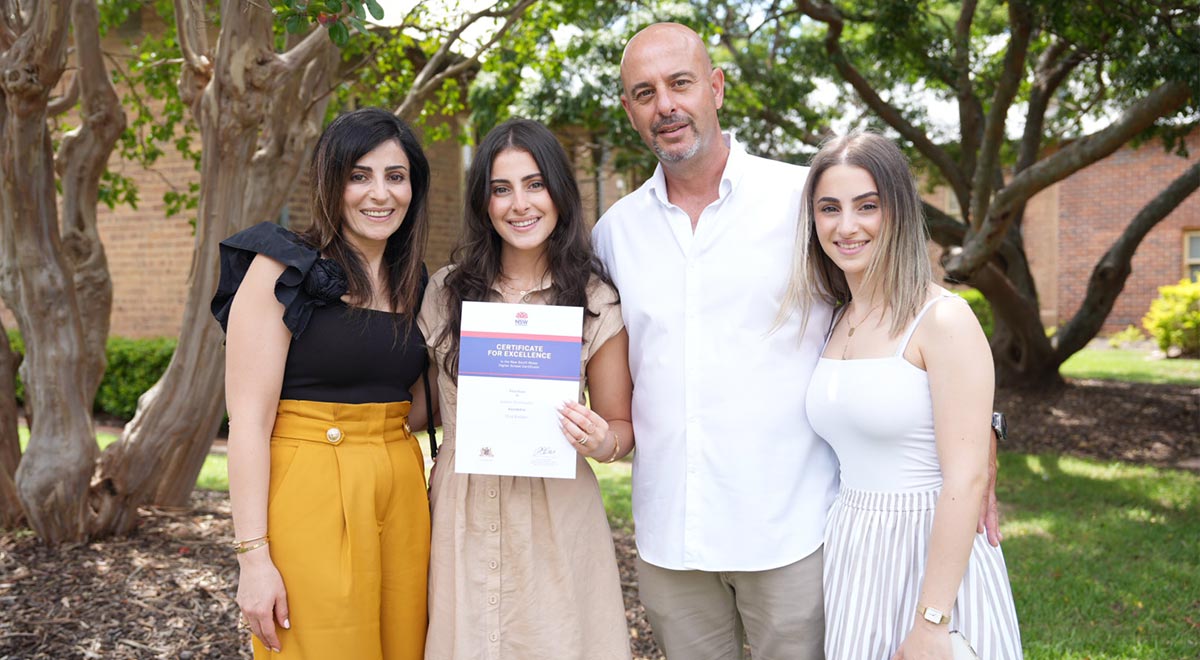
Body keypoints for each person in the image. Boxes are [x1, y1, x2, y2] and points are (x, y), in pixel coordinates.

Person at [592, 23, 1002, 660]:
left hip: (791, 532)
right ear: (629, 110)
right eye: (644, 93)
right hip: (672, 536)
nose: (665, 105)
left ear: (716, 87)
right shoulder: (614, 233)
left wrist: (983, 441)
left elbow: (904, 317)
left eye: (681, 83)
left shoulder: (803, 202)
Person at [211, 107, 433, 659]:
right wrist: (253, 558)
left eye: (395, 176)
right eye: (359, 175)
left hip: (402, 497)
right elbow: (248, 425)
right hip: (309, 494)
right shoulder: (281, 269)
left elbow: (420, 409)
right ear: (331, 182)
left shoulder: (417, 282)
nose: (379, 193)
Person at [792, 131, 1022, 659]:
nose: (846, 226)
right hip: (854, 547)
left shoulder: (942, 318)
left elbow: (966, 476)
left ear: (896, 211)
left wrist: (933, 621)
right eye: (829, 208)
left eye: (866, 206)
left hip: (930, 551)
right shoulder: (834, 317)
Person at [419, 118, 634, 660]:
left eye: (534, 184)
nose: (520, 203)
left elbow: (620, 428)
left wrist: (599, 440)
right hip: (460, 512)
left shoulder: (594, 298)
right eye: (501, 188)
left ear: (559, 192)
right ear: (484, 202)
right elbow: (421, 406)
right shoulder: (445, 292)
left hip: (556, 515)